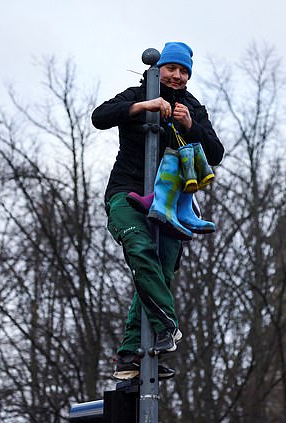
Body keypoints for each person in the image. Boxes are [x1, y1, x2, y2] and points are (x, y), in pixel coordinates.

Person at [92, 42, 224, 380]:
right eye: (172, 69)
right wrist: (141, 106)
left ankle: (128, 358)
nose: (177, 76)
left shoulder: (193, 106)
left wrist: (191, 124)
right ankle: (168, 322)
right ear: (159, 68)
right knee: (140, 249)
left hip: (167, 202)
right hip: (127, 190)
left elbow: (215, 152)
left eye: (184, 72)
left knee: (161, 272)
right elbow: (100, 117)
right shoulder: (137, 92)